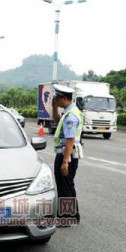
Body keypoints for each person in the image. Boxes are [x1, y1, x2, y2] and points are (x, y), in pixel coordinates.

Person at [52, 84, 83, 225]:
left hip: (67, 155)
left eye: (57, 98)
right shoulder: (69, 112)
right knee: (68, 184)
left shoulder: (71, 116)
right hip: (68, 154)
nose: (55, 99)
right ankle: (73, 215)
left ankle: (65, 218)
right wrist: (54, 108)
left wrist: (65, 162)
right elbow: (58, 122)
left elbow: (70, 139)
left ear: (64, 98)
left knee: (64, 185)